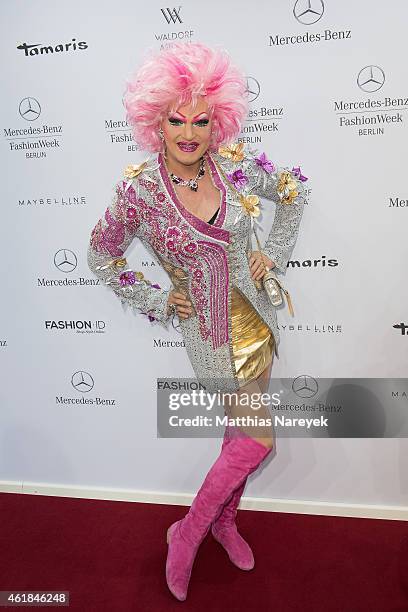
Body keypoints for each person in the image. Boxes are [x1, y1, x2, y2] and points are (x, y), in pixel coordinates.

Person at [87, 41, 309, 601]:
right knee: (258, 441)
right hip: (210, 340)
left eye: (201, 120)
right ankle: (186, 534)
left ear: (218, 122)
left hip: (257, 326)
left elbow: (292, 190)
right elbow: (101, 254)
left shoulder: (234, 167)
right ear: (154, 123)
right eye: (176, 120)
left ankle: (222, 523)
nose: (189, 132)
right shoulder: (139, 193)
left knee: (242, 435)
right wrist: (160, 301)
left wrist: (272, 254)